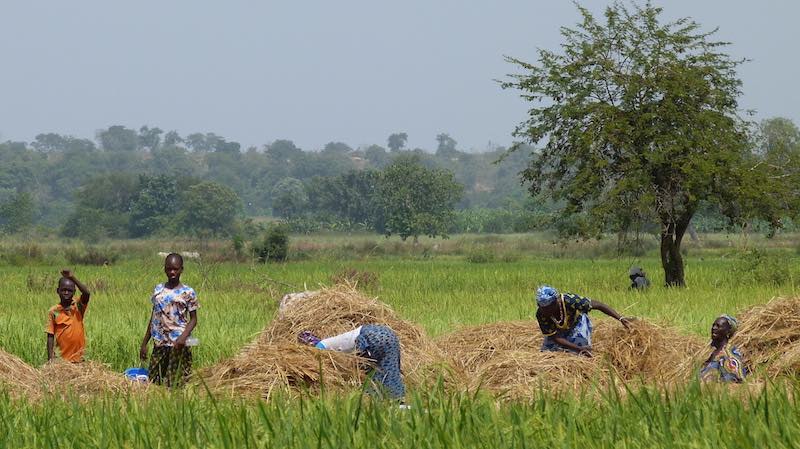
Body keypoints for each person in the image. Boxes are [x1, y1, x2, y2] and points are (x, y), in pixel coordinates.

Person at [298, 324, 405, 400]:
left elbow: (322, 357)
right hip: (388, 334)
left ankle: (377, 399)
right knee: (389, 368)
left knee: (370, 373)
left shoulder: (321, 346)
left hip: (371, 337)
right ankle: (395, 397)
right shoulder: (333, 342)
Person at [139, 253, 199, 387]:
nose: (172, 272)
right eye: (169, 269)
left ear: (181, 269)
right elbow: (154, 317)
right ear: (164, 269)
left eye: (175, 269)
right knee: (154, 382)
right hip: (160, 343)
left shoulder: (188, 292)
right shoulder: (159, 289)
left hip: (178, 345)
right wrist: (144, 343)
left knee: (175, 384)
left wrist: (183, 338)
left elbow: (194, 320)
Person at [535, 285, 631, 356]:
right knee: (547, 354)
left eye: (548, 307)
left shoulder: (570, 300)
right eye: (542, 307)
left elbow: (599, 305)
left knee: (581, 354)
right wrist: (578, 349)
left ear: (556, 302)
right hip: (559, 330)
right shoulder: (541, 314)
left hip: (577, 325)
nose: (545, 311)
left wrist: (621, 318)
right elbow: (555, 337)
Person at [45, 269, 92, 362]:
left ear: (74, 292)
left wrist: (72, 277)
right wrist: (50, 358)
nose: (66, 293)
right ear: (58, 291)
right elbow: (50, 335)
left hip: (79, 358)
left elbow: (87, 293)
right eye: (63, 290)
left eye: (69, 290)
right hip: (62, 360)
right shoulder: (54, 311)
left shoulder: (78, 306)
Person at [699, 315, 747, 383]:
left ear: (728, 331)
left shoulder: (730, 355)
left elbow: (733, 380)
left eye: (718, 326)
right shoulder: (707, 350)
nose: (714, 328)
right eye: (713, 325)